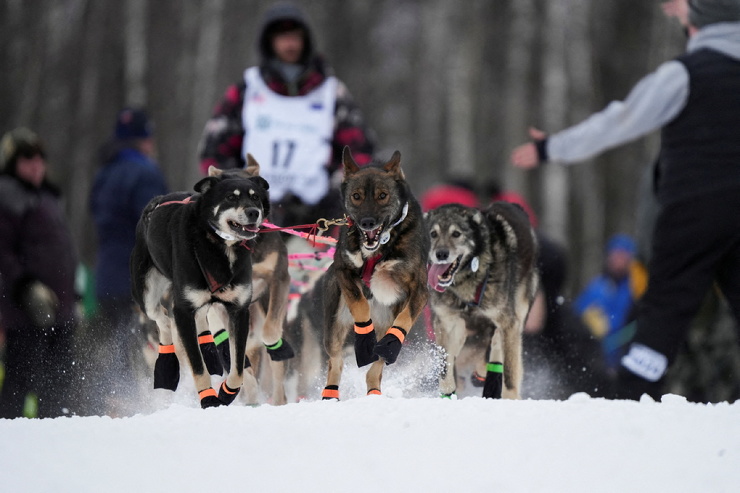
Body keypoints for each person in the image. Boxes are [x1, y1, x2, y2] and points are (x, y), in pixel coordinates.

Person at [511, 0, 740, 400]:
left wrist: (552, 148)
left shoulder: (685, 74)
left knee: (665, 310)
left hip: (693, 213)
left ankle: (635, 396)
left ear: (701, 23)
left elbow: (620, 121)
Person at [198, 1, 375, 227]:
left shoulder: (331, 93)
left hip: (319, 215)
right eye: (282, 37)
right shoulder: (247, 90)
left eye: (295, 36)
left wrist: (338, 192)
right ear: (269, 42)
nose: (289, 44)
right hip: (255, 212)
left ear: (305, 40)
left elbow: (361, 153)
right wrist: (234, 188)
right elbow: (213, 151)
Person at [88, 108, 168, 414]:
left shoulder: (104, 173)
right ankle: (143, 410)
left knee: (120, 345)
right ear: (143, 140)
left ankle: (117, 402)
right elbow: (155, 222)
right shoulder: (145, 173)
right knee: (147, 344)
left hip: (107, 272)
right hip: (139, 276)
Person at [0, 127, 79, 418]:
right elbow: (3, 252)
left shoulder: (48, 197)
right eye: (26, 158)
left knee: (58, 385)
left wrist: (76, 294)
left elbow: (65, 250)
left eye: (40, 158)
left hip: (61, 309)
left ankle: (55, 441)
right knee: (20, 383)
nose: (36, 165)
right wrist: (25, 286)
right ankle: (8, 436)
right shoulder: (7, 197)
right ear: (12, 163)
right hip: (25, 310)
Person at [574, 234, 639, 373]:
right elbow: (576, 316)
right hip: (594, 359)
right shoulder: (595, 286)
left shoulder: (636, 289)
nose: (618, 260)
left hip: (625, 360)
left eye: (623, 256)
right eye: (615, 255)